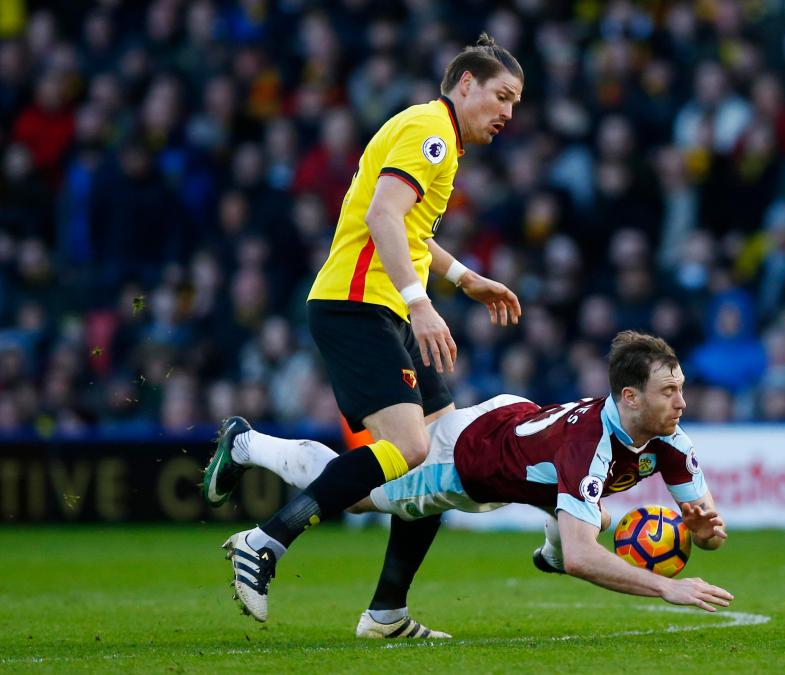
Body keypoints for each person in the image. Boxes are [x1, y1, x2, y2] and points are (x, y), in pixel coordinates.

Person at [203, 34, 524, 629]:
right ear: (465, 85)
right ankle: (265, 542)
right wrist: (421, 302)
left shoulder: (442, 142)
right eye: (501, 96)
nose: (508, 113)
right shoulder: (431, 133)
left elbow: (412, 229)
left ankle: (387, 613)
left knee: (437, 464)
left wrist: (465, 278)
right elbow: (381, 217)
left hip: (384, 309)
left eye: (515, 103)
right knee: (409, 450)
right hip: (357, 305)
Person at [213, 332, 732, 637]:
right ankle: (247, 444)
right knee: (355, 497)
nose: (682, 403)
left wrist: (704, 532)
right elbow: (583, 558)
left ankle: (387, 616)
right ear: (631, 397)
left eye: (681, 389)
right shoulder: (590, 446)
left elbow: (709, 530)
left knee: (579, 508)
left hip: (514, 419)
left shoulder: (671, 441)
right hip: (465, 459)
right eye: (669, 391)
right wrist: (668, 586)